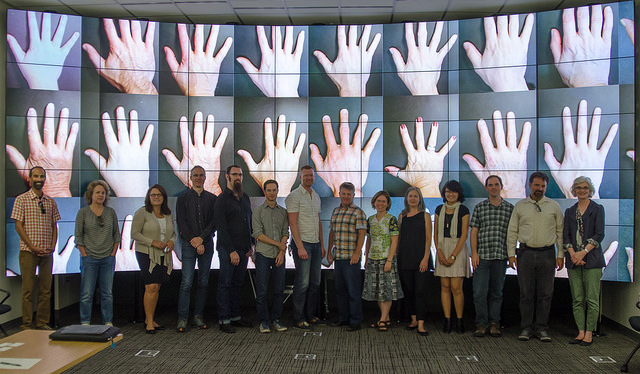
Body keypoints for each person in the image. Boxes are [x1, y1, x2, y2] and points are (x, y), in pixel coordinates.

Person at [507, 172, 564, 342]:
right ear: (530, 185)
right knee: (526, 293)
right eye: (537, 185)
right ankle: (526, 328)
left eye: (543, 186)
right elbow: (512, 232)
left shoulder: (553, 206)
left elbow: (560, 233)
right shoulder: (520, 206)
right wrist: (511, 254)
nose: (539, 189)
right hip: (525, 253)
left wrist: (560, 254)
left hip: (547, 254)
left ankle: (541, 328)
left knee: (545, 293)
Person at [11, 166, 60, 330]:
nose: (39, 179)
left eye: (41, 176)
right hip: (28, 251)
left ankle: (42, 322)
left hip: (47, 252)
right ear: (30, 179)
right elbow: (18, 226)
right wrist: (31, 245)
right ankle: (26, 324)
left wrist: (53, 246)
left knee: (46, 290)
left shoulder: (50, 201)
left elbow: (54, 226)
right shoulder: (21, 199)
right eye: (36, 176)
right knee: (28, 290)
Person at [469, 175, 514, 337]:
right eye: (490, 185)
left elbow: (512, 234)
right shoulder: (480, 207)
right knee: (479, 292)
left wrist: (511, 255)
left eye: (496, 184)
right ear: (486, 187)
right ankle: (481, 324)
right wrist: (473, 253)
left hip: (500, 257)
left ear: (501, 186)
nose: (493, 187)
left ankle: (494, 323)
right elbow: (473, 232)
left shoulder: (509, 208)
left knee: (497, 293)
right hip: (482, 257)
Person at [563, 176, 605, 346]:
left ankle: (589, 333)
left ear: (590, 190)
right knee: (577, 298)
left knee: (592, 299)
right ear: (574, 190)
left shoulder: (597, 208)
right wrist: (574, 254)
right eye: (579, 187)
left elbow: (599, 234)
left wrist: (583, 253)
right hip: (573, 260)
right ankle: (580, 332)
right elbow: (565, 235)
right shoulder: (569, 211)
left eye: (585, 187)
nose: (582, 190)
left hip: (592, 260)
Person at [176, 166, 217, 332]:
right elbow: (181, 222)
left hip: (206, 244)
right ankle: (182, 318)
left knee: (203, 282)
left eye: (201, 175)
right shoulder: (182, 199)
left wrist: (201, 239)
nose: (198, 178)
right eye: (195, 175)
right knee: (186, 282)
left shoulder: (213, 199)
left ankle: (198, 316)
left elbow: (214, 222)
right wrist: (195, 240)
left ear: (205, 177)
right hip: (188, 245)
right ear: (190, 178)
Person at [214, 165, 254, 333]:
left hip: (243, 249)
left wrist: (250, 245)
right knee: (225, 284)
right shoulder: (222, 199)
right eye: (234, 174)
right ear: (227, 176)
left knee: (238, 284)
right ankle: (224, 320)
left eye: (240, 174)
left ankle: (236, 317)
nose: (238, 177)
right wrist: (231, 251)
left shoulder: (244, 198)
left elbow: (248, 223)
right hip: (227, 249)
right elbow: (221, 228)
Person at [74, 180, 120, 326]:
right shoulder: (83, 212)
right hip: (89, 259)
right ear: (91, 195)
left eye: (103, 193)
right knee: (87, 294)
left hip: (107, 258)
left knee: (107, 293)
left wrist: (112, 254)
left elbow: (116, 235)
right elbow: (78, 237)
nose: (100, 195)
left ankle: (108, 321)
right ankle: (85, 321)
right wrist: (84, 255)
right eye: (97, 192)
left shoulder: (110, 212)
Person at [131, 184, 176, 334]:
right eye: (153, 195)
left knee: (156, 287)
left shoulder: (168, 214)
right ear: (148, 197)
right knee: (150, 287)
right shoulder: (142, 212)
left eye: (159, 195)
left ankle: (150, 318)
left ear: (163, 197)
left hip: (164, 254)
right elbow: (135, 234)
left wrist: (171, 242)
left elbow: (173, 234)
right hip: (147, 253)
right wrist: (153, 242)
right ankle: (149, 322)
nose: (156, 197)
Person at [285, 165, 325, 329]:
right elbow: (292, 223)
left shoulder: (316, 196)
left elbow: (319, 222)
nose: (309, 178)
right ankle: (298, 317)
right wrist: (300, 247)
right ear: (300, 177)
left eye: (311, 176)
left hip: (316, 244)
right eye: (306, 176)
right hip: (303, 244)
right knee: (302, 283)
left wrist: (322, 245)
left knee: (315, 283)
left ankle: (310, 315)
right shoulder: (294, 196)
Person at [327, 182, 367, 331]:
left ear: (353, 196)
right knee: (340, 290)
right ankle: (343, 318)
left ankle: (355, 321)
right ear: (339, 194)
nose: (345, 196)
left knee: (353, 291)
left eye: (348, 194)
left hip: (351, 258)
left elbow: (362, 234)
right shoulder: (335, 211)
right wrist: (330, 249)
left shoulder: (359, 212)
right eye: (343, 194)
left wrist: (357, 253)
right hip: (338, 257)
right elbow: (332, 232)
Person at [362, 190, 404, 332]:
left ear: (387, 204)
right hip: (373, 259)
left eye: (383, 201)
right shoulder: (370, 219)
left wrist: (390, 260)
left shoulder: (391, 219)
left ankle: (382, 319)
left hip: (387, 258)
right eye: (378, 201)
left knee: (387, 290)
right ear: (374, 202)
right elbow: (368, 240)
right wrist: (366, 257)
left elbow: (395, 240)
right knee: (378, 290)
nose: (380, 203)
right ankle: (385, 318)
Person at [252, 180, 289, 333]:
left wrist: (281, 251)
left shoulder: (283, 212)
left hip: (279, 256)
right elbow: (258, 234)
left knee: (279, 289)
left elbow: (285, 233)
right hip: (263, 255)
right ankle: (264, 321)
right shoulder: (258, 211)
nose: (272, 193)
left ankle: (276, 320)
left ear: (277, 191)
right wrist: (278, 245)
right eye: (269, 190)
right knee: (261, 290)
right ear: (265, 191)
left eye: (274, 190)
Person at [434, 180, 470, 334]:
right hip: (442, 248)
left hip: (458, 249)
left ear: (459, 193)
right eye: (448, 191)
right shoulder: (438, 209)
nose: (450, 194)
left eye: (454, 192)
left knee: (456, 288)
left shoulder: (464, 210)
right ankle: (447, 320)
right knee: (445, 287)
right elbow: (435, 234)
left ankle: (460, 320)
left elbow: (464, 235)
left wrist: (453, 256)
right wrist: (440, 253)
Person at [397, 187, 432, 336]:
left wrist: (425, 258)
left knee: (420, 291)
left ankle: (421, 323)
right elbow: (398, 239)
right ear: (406, 199)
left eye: (415, 196)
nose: (412, 198)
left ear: (420, 199)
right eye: (410, 196)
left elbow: (428, 239)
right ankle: (413, 320)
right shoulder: (401, 216)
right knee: (409, 291)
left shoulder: (425, 216)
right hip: (405, 259)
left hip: (421, 259)